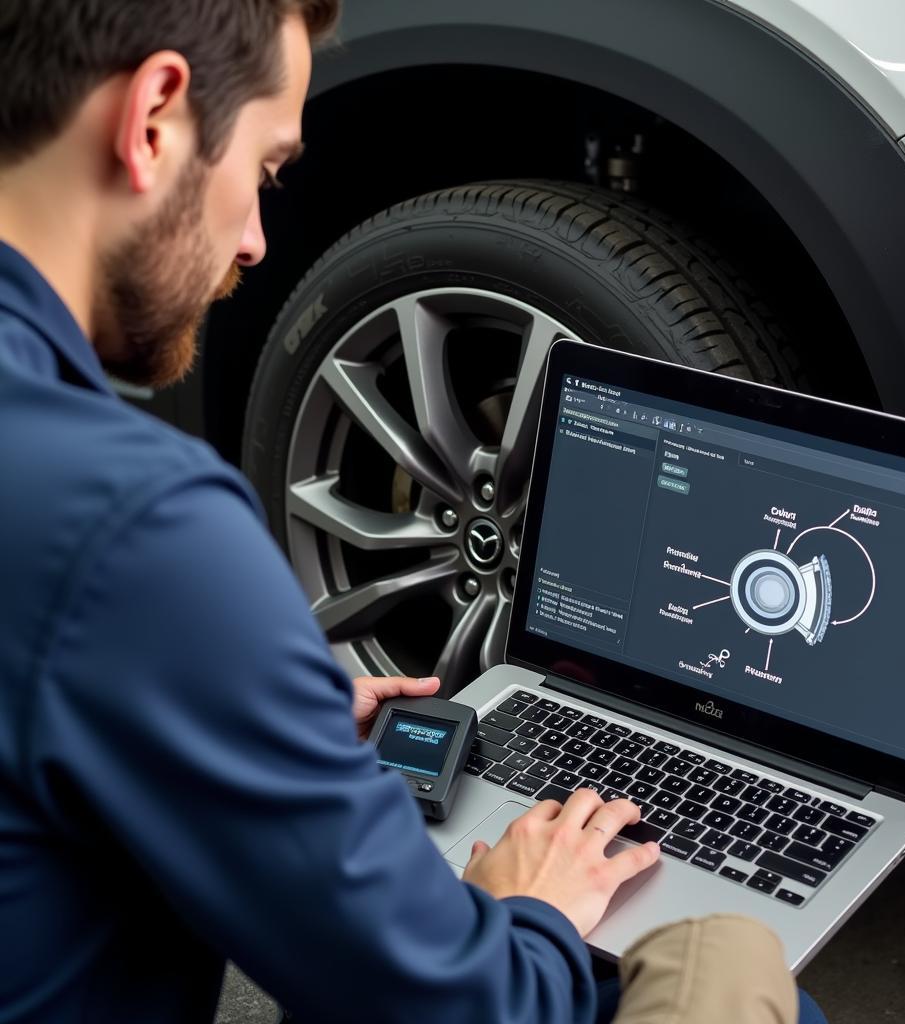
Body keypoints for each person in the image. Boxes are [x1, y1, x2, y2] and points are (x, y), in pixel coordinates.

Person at [0, 3, 825, 1023]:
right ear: (156, 116)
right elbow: (465, 1004)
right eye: (263, 170)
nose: (257, 243)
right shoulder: (136, 526)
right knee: (729, 956)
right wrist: (529, 910)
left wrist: (245, 706)